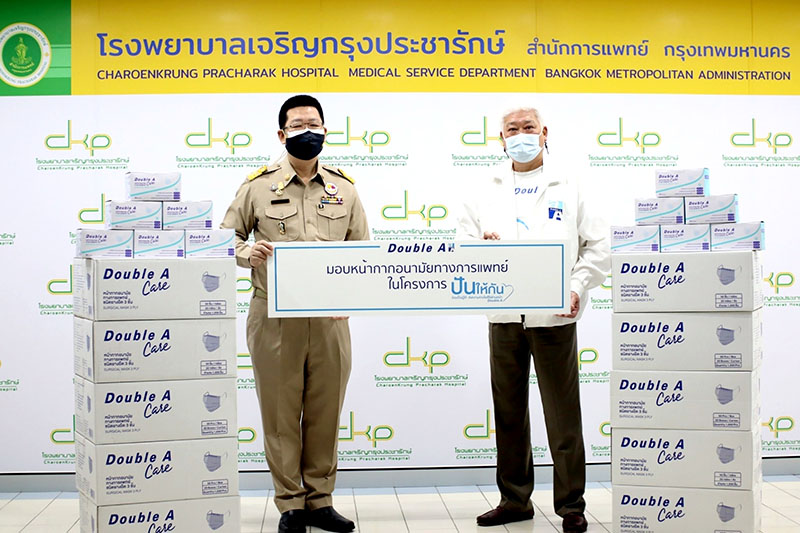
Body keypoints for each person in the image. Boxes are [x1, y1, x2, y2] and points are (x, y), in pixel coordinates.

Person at [458, 106, 610, 533]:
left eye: (528, 128)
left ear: (544, 133)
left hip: (555, 314)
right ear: (500, 138)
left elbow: (598, 246)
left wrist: (577, 287)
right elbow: (462, 243)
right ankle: (514, 500)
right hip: (504, 313)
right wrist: (482, 246)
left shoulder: (572, 182)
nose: (521, 135)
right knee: (508, 412)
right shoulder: (483, 187)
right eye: (512, 129)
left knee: (563, 416)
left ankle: (571, 505)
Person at [221, 95, 369, 533]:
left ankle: (321, 501)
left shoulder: (345, 188)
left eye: (314, 124)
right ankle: (290, 505)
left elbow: (363, 253)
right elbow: (225, 240)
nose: (308, 131)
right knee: (280, 413)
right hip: (274, 318)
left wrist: (350, 299)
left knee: (325, 412)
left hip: (329, 320)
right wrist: (247, 254)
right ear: (282, 134)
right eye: (298, 125)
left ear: (325, 130)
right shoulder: (257, 187)